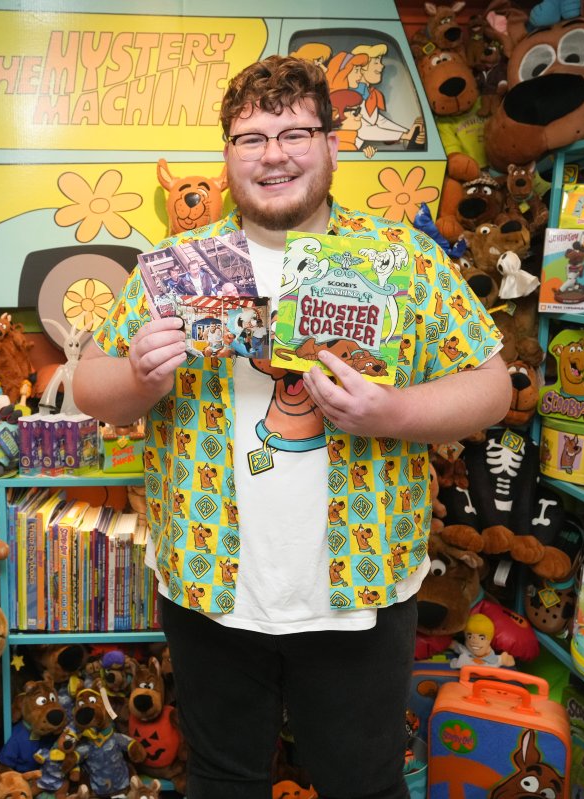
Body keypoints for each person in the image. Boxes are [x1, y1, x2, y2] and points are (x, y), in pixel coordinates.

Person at [74, 54, 508, 799]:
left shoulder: (404, 259)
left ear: (333, 145)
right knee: (221, 778)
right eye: (251, 137)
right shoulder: (173, 267)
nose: (274, 153)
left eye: (295, 131)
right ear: (227, 157)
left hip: (363, 586)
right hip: (210, 586)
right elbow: (92, 390)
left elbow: (492, 387)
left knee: (363, 783)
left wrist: (392, 411)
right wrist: (140, 375)